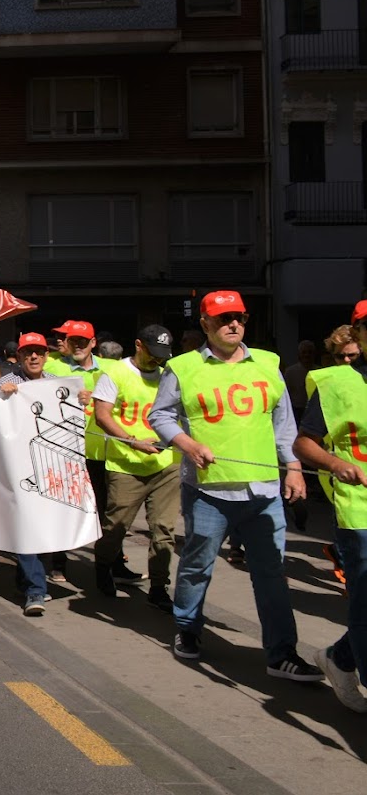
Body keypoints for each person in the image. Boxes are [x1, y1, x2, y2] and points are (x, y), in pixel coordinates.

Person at [150, 290, 323, 681]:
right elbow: (159, 416)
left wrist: (293, 466)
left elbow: (283, 423)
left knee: (272, 575)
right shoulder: (182, 367)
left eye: (239, 318)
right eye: (224, 318)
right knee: (197, 566)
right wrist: (188, 444)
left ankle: (282, 653)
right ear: (206, 324)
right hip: (208, 491)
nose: (233, 325)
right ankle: (188, 629)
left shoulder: (268, 363)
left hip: (263, 492)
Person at [292, 301, 367, 712]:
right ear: (357, 333)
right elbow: (304, 443)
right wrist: (337, 463)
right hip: (360, 510)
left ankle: (339, 658)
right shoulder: (337, 383)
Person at [91, 324, 179, 611]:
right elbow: (103, 416)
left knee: (163, 528)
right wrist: (132, 441)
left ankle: (158, 586)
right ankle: (103, 564)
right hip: (126, 463)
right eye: (153, 353)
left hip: (165, 464)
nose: (157, 360)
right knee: (116, 526)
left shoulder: (169, 376)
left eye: (162, 355)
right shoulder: (115, 373)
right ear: (139, 345)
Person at [42, 320, 109, 583]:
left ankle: (110, 565)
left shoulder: (111, 369)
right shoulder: (52, 366)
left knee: (105, 513)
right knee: (64, 507)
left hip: (100, 453)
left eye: (84, 341)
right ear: (66, 343)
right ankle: (58, 562)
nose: (78, 346)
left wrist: (98, 395)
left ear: (93, 343)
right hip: (64, 450)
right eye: (73, 341)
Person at [0, 333, 54, 616]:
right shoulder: (5, 384)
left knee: (44, 528)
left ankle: (25, 579)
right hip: (17, 466)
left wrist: (80, 398)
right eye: (27, 352)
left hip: (51, 467)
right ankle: (35, 590)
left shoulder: (56, 384)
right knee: (27, 526)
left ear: (46, 355)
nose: (33, 357)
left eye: (38, 352)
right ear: (17, 356)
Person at [283, 339, 317, 421]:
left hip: (314, 411)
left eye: (310, 352)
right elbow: (285, 393)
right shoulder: (290, 372)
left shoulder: (320, 371)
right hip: (296, 411)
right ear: (299, 354)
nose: (307, 355)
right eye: (304, 352)